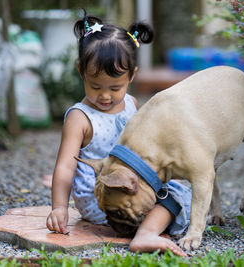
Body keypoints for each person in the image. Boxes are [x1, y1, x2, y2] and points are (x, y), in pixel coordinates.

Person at [46, 10, 189, 257]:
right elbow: (65, 167)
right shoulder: (80, 118)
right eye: (95, 86)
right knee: (169, 200)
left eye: (115, 87)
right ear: (81, 70)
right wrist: (59, 208)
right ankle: (146, 233)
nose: (104, 96)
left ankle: (144, 230)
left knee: (177, 190)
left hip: (134, 186)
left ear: (132, 75)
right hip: (101, 200)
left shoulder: (132, 104)